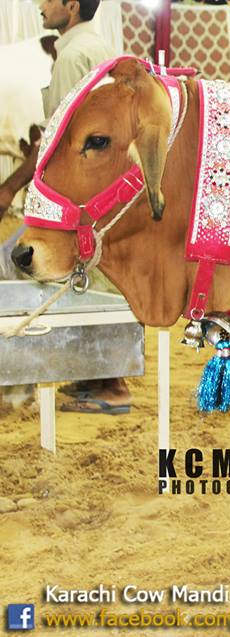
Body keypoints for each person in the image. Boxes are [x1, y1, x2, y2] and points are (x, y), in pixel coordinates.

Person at [0, 0, 130, 414]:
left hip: (75, 197)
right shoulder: (99, 47)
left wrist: (12, 189)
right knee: (93, 275)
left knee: (19, 265)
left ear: (71, 6)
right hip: (100, 194)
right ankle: (101, 377)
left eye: (50, 0)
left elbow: (57, 145)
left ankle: (102, 384)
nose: (41, 6)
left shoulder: (73, 55)